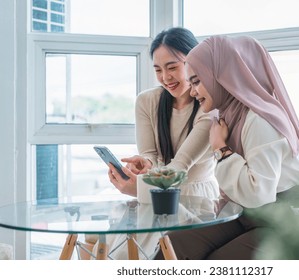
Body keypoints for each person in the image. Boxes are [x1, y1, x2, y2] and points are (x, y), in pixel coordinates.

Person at [154, 35, 299, 260]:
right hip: (249, 214)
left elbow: (257, 193)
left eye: (196, 81)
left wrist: (222, 150)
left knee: (217, 263)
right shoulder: (229, 115)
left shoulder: (259, 120)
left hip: (287, 222)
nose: (192, 92)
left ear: (222, 77)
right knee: (173, 246)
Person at [90, 27, 219, 260]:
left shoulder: (208, 106)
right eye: (158, 70)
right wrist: (145, 165)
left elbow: (180, 167)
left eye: (172, 67)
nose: (165, 77)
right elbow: (150, 154)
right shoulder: (147, 101)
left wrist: (138, 188)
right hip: (157, 193)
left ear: (195, 62)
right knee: (120, 252)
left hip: (195, 201)